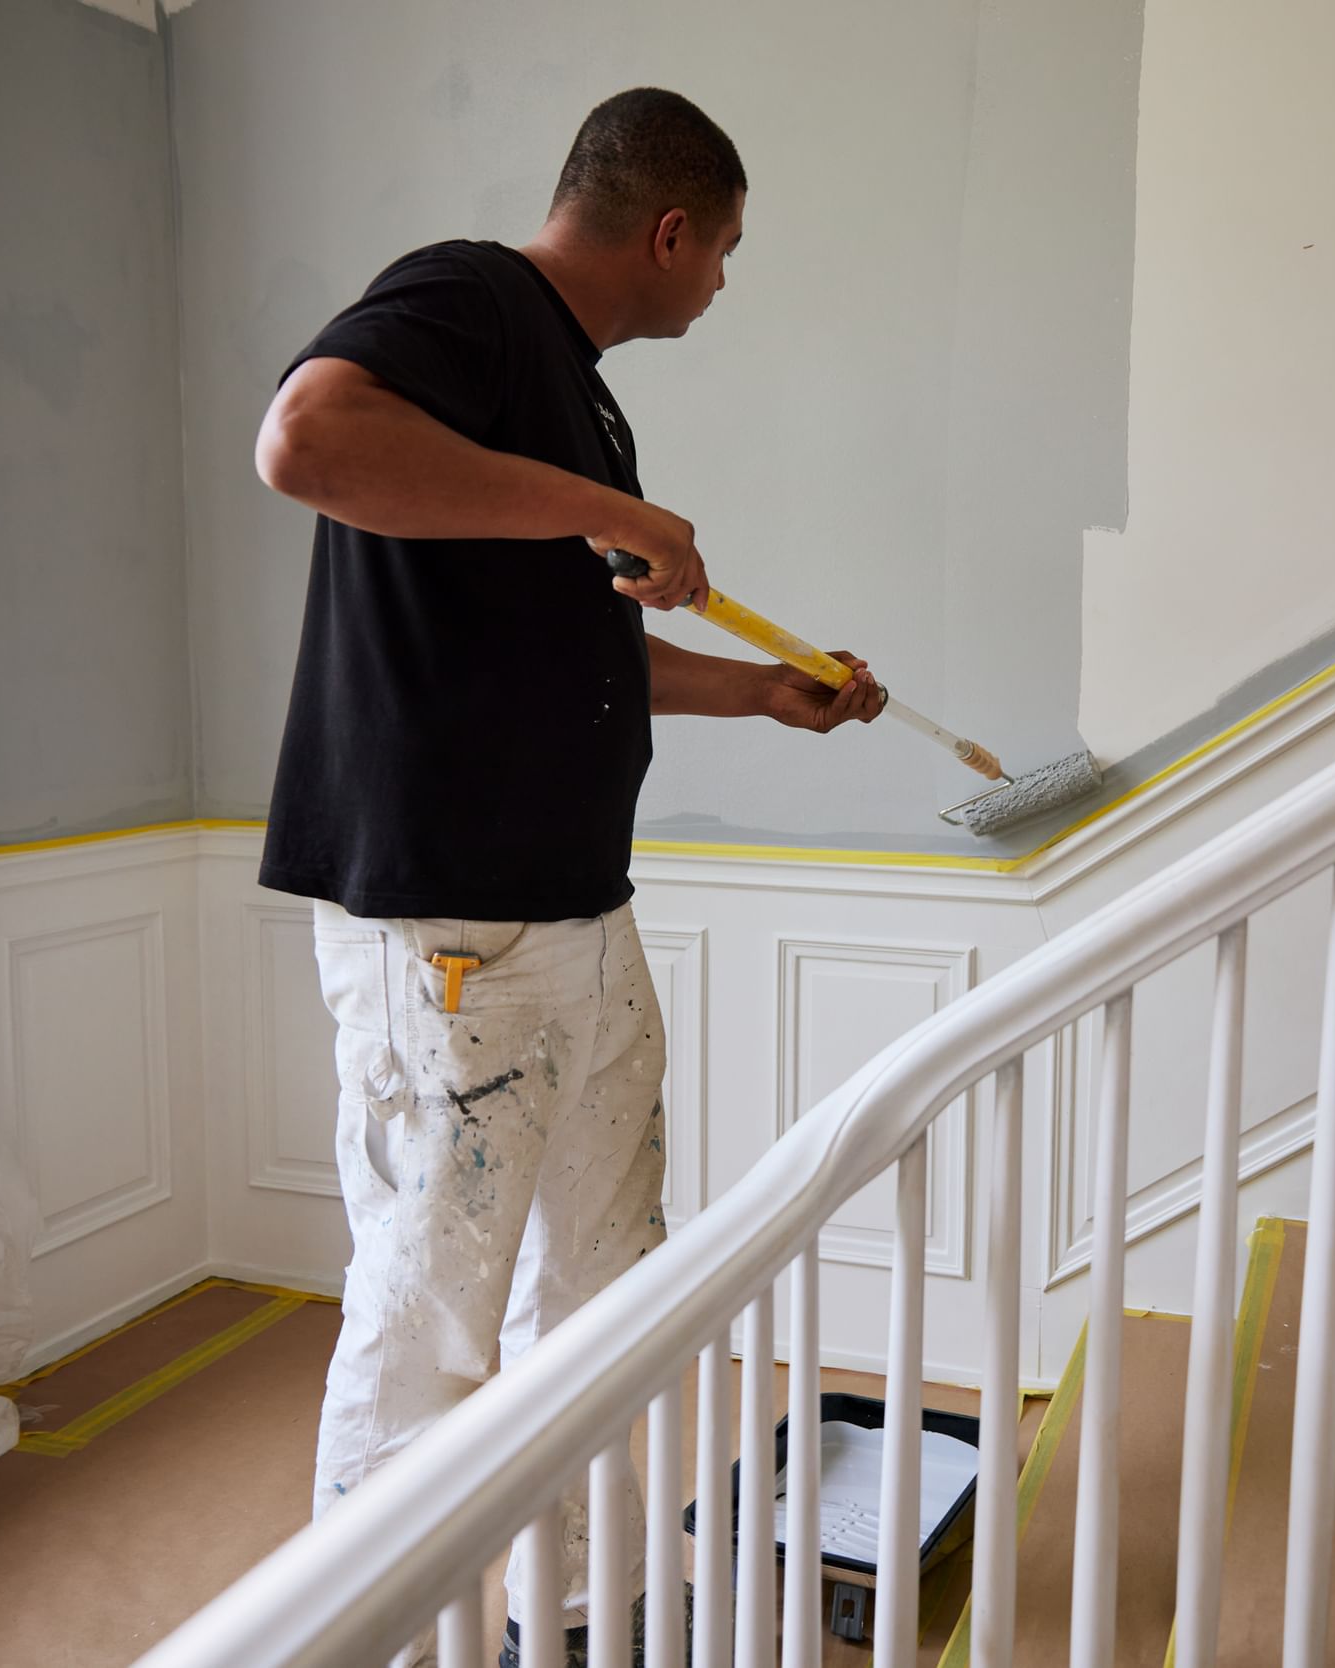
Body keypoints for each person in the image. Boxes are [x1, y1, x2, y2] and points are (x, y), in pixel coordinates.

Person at [253, 88, 883, 1668]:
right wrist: (611, 510)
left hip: (575, 911)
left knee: (603, 1280)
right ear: (669, 231)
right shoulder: (472, 298)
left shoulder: (576, 398)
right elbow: (306, 441)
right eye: (725, 251)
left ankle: (570, 1614)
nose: (723, 284)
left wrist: (765, 691)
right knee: (429, 1305)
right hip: (452, 918)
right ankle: (370, 1632)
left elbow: (562, 652)